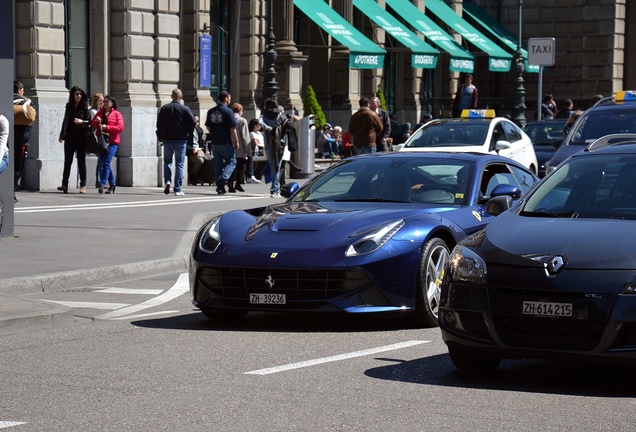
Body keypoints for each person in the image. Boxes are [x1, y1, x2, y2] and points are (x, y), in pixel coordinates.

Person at [156, 88, 196, 196]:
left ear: (171, 96)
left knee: (167, 162)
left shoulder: (165, 108)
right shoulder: (184, 109)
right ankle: (177, 188)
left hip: (167, 139)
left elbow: (159, 124)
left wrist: (160, 136)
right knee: (179, 164)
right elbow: (193, 122)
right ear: (180, 97)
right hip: (180, 139)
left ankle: (167, 181)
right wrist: (188, 131)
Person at [58, 86, 91, 194]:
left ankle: (83, 185)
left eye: (80, 94)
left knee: (81, 162)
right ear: (73, 95)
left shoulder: (85, 106)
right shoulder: (69, 106)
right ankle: (64, 184)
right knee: (68, 161)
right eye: (76, 94)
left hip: (81, 137)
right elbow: (65, 120)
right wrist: (62, 134)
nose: (78, 96)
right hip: (70, 137)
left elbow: (90, 122)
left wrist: (82, 121)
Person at [205, 91, 239, 195]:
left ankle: (220, 187)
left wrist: (213, 133)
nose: (230, 100)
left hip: (215, 142)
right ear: (226, 99)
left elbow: (208, 126)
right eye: (229, 98)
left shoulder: (211, 111)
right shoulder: (228, 111)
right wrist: (236, 141)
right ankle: (222, 179)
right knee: (231, 161)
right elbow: (232, 128)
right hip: (226, 141)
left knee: (218, 165)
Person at [92, 95, 124, 195]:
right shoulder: (100, 113)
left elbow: (120, 127)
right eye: (104, 101)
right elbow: (93, 124)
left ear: (112, 103)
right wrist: (97, 122)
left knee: (106, 163)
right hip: (102, 142)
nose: (104, 103)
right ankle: (113, 184)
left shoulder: (117, 114)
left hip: (112, 142)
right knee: (105, 163)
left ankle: (102, 184)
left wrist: (107, 128)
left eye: (107, 101)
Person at [259, 98, 291, 198]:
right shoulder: (281, 115)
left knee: (273, 166)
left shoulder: (263, 116)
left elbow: (261, 124)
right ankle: (274, 189)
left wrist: (269, 129)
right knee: (277, 167)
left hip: (268, 144)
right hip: (279, 144)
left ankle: (274, 189)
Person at [13, 80, 36, 192]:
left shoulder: (5, 100)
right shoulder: (26, 102)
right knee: (18, 167)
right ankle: (12, 190)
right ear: (19, 90)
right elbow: (32, 118)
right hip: (22, 139)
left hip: (7, 139)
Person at [228, 103, 250, 193]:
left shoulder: (228, 119)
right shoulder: (242, 121)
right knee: (240, 166)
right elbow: (245, 136)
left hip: (229, 146)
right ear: (240, 110)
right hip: (240, 147)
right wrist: (247, 150)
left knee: (231, 166)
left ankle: (230, 185)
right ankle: (238, 183)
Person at [89, 93, 105, 188]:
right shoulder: (93, 111)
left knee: (102, 159)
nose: (102, 103)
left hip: (102, 135)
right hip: (97, 136)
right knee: (101, 159)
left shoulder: (102, 111)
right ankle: (99, 180)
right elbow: (93, 123)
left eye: (103, 101)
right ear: (96, 101)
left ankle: (100, 180)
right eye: (100, 101)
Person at [186, 115, 206, 185]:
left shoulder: (199, 130)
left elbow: (203, 141)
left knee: (208, 159)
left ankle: (203, 178)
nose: (196, 123)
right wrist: (192, 150)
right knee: (200, 160)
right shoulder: (187, 130)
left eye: (197, 121)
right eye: (195, 121)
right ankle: (193, 176)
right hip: (192, 151)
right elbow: (185, 143)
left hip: (199, 149)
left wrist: (206, 150)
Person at [246, 118, 263, 183]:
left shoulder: (259, 133)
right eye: (259, 125)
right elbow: (255, 143)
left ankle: (258, 174)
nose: (260, 126)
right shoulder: (252, 134)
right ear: (255, 126)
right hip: (258, 149)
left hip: (263, 148)